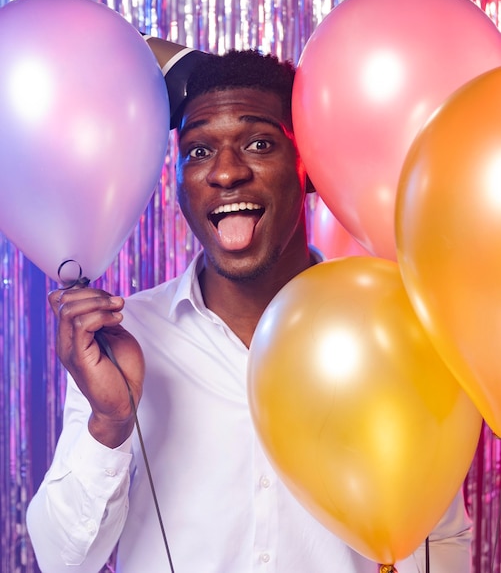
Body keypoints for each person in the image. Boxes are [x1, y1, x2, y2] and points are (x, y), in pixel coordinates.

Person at [27, 42, 473, 573]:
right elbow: (60, 561)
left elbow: (440, 541)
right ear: (179, 186)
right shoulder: (126, 338)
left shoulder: (398, 333)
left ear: (308, 168)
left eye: (259, 143)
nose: (225, 173)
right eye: (198, 151)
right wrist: (110, 421)